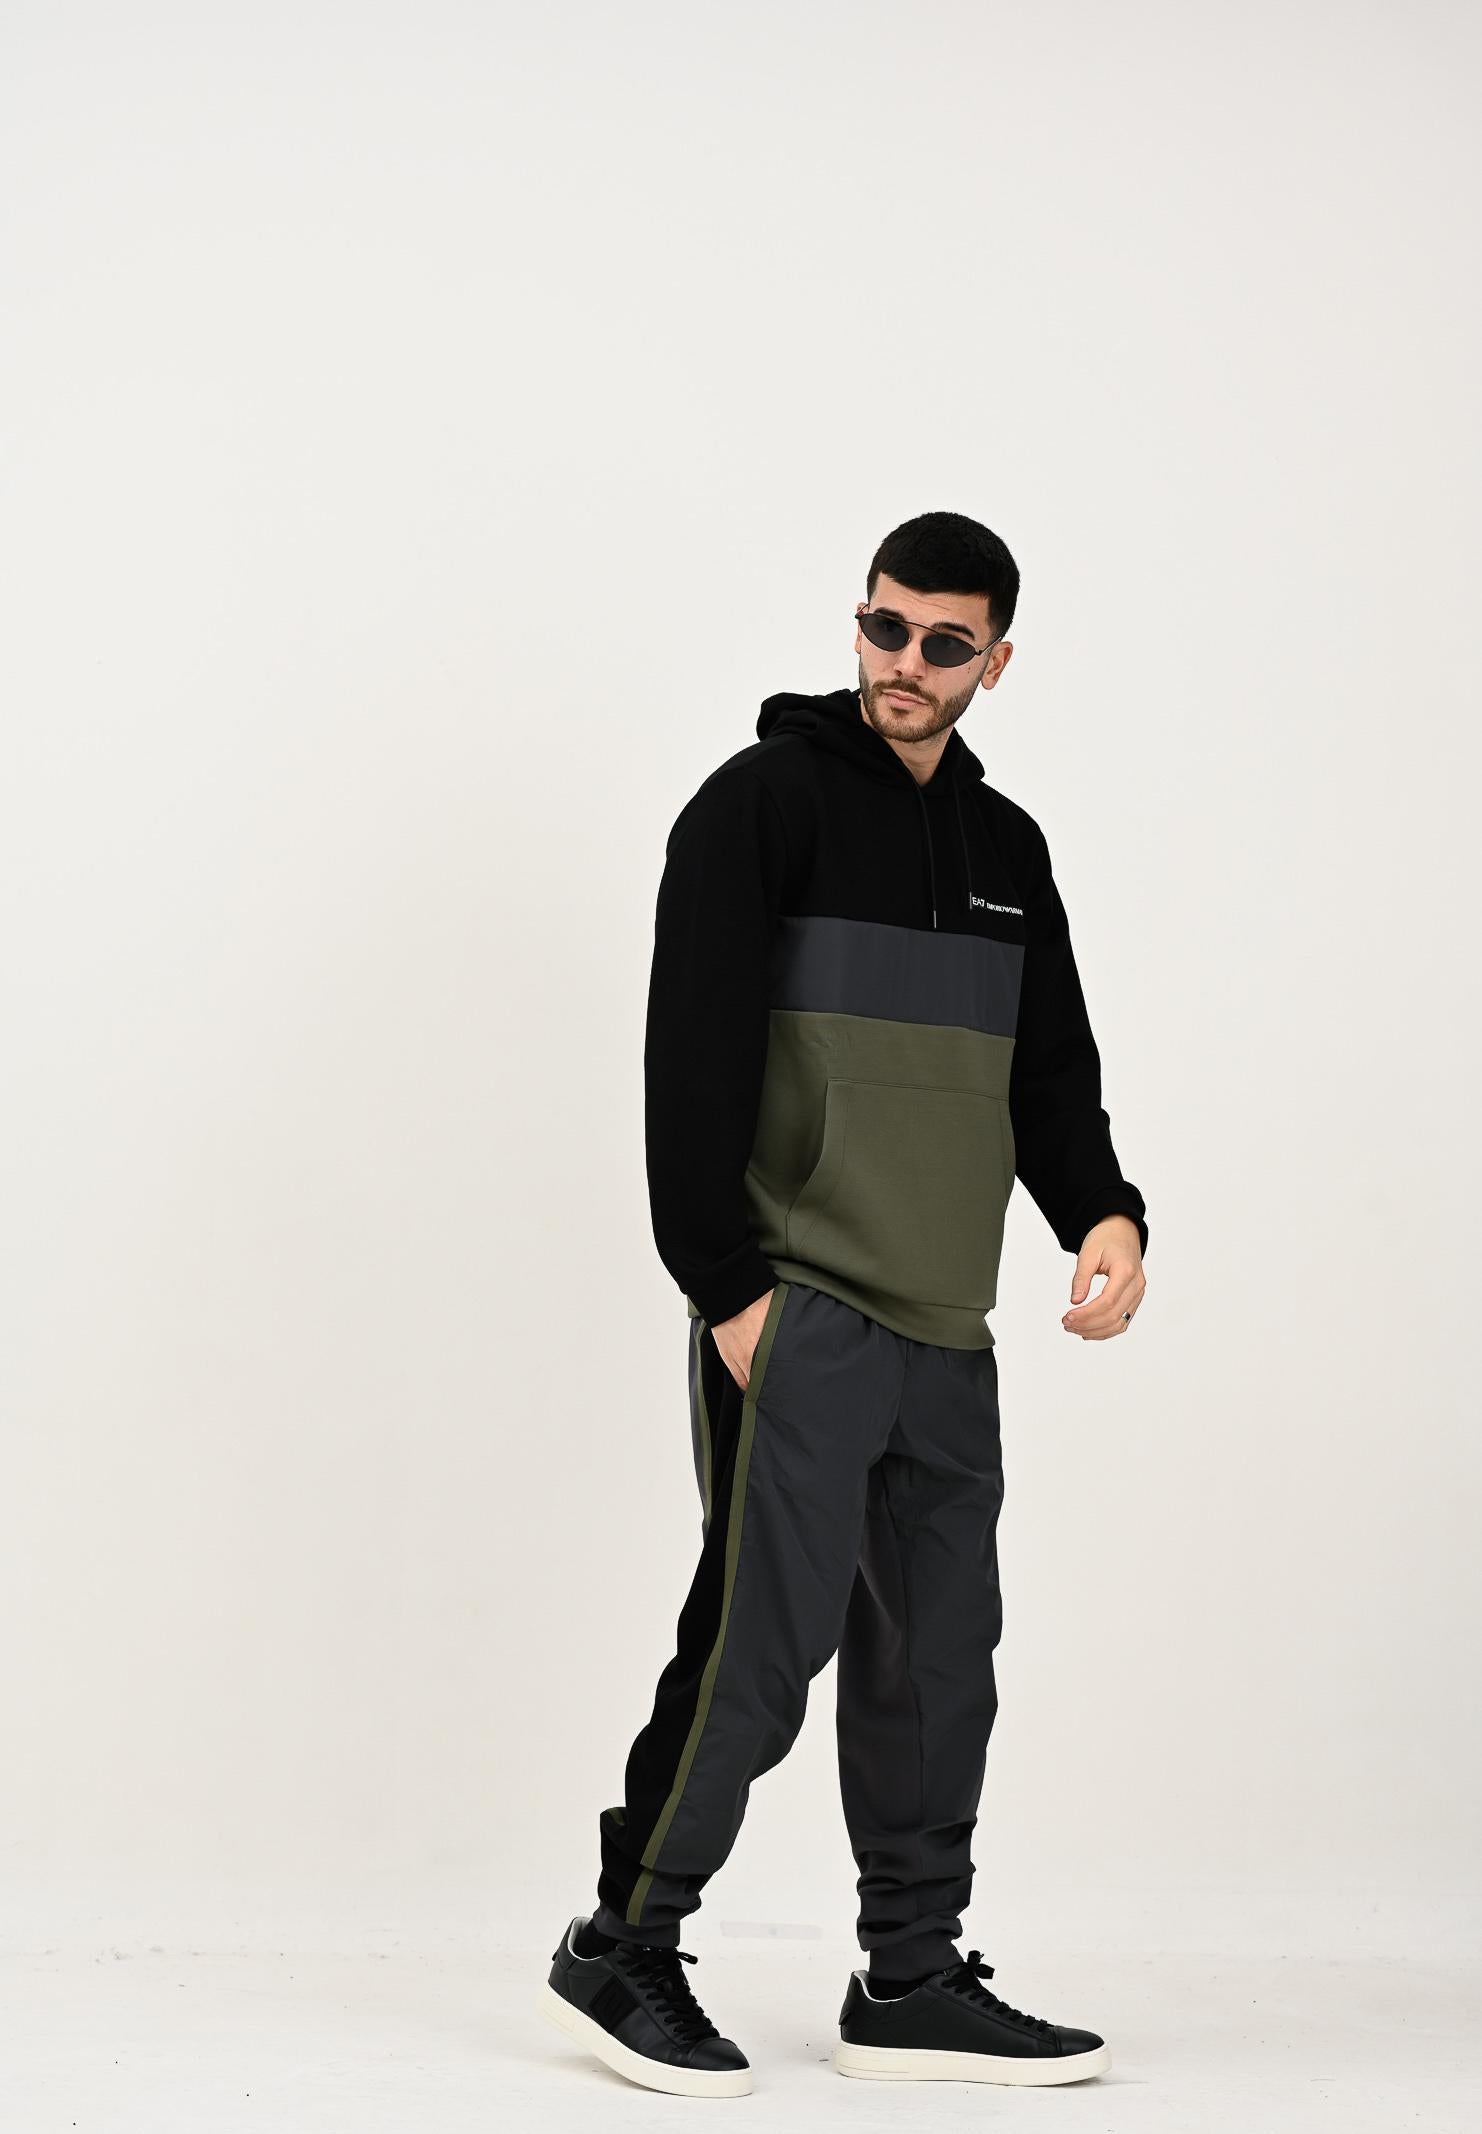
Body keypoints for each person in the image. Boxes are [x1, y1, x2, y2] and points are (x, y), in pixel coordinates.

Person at [538, 510, 1147, 2097]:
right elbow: (688, 1058)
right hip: (797, 1302)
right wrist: (728, 1290)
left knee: (940, 1661)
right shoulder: (759, 807)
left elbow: (1047, 1067)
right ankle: (622, 1942)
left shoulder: (1006, 852)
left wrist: (1101, 1206)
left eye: (943, 643)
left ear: (993, 662)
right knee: (760, 1643)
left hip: (946, 1323)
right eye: (885, 626)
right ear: (858, 622)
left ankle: (910, 1973)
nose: (903, 662)